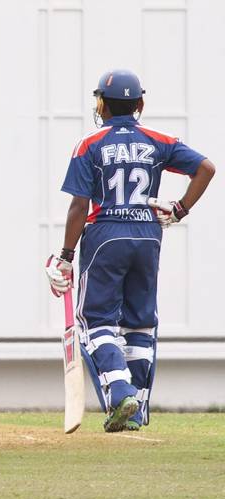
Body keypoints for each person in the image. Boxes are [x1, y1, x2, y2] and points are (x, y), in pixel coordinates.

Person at [44, 69, 214, 432]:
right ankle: (137, 409)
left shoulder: (89, 144)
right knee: (140, 323)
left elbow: (79, 206)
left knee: (96, 321)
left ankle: (121, 391)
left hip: (105, 233)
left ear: (101, 105)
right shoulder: (159, 140)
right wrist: (180, 209)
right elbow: (206, 168)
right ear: (140, 104)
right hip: (148, 234)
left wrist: (66, 255)